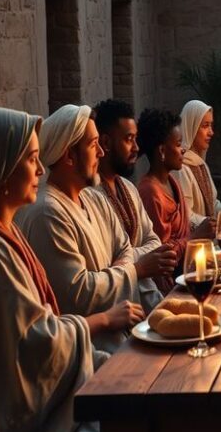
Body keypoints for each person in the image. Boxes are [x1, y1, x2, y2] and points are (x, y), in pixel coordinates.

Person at [0, 107, 100, 432]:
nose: (40, 170)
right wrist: (90, 329)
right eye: (32, 159)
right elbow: (30, 349)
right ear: (1, 167)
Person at [17, 104, 145, 353]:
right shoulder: (48, 212)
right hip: (90, 351)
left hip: (121, 337)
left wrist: (118, 269)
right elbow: (78, 292)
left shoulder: (94, 197)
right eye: (92, 144)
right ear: (69, 156)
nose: (100, 152)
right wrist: (132, 271)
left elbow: (125, 247)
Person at [92, 99, 177, 312]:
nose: (136, 148)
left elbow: (153, 240)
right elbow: (109, 260)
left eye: (136, 139)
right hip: (116, 308)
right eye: (129, 139)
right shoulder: (90, 195)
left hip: (147, 297)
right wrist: (140, 265)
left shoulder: (128, 188)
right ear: (106, 142)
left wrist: (131, 259)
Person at [137, 108, 214, 294]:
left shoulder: (172, 181)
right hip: (168, 288)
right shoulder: (149, 192)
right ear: (162, 150)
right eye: (179, 144)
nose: (183, 150)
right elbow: (162, 256)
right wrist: (196, 238)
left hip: (188, 272)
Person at [172, 99, 221, 227]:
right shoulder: (180, 167)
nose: (211, 132)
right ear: (191, 127)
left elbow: (212, 205)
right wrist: (219, 222)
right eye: (205, 126)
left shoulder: (200, 164)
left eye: (211, 125)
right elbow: (187, 216)